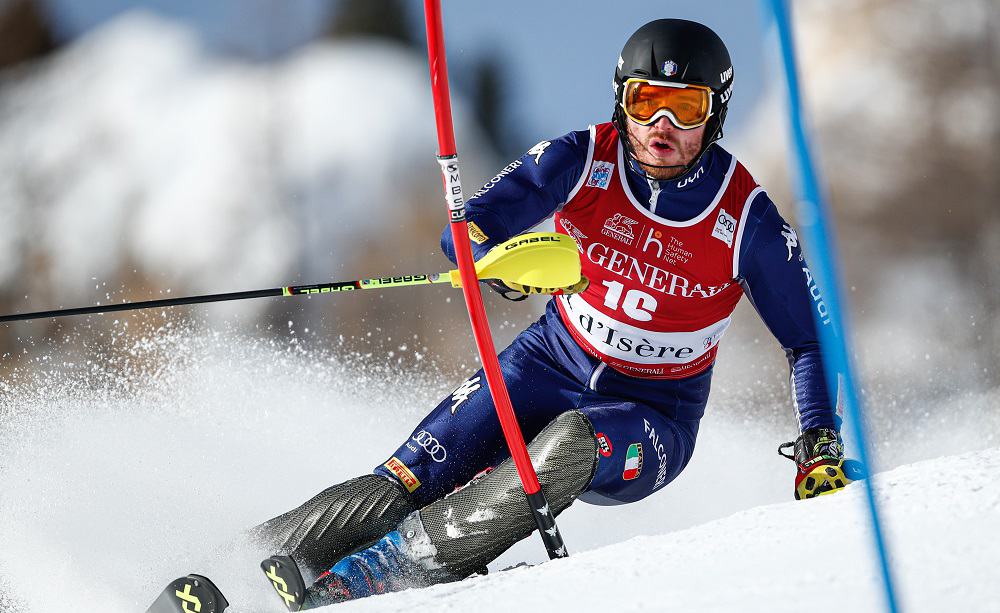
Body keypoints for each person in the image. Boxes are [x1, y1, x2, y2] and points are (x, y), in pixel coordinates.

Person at [253, 18, 860, 610]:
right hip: (544, 363)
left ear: (716, 114)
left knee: (567, 445)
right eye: (645, 102)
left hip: (651, 415)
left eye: (686, 108)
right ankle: (240, 568)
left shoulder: (745, 218)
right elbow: (465, 232)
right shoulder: (583, 158)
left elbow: (810, 340)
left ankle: (372, 579)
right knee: (413, 473)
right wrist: (495, 256)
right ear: (622, 100)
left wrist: (819, 444)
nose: (661, 126)